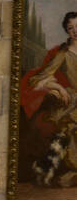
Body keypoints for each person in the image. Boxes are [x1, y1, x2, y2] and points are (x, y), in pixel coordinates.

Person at [21, 12, 77, 188]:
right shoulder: (63, 54)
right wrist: (59, 88)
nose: (76, 31)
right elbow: (38, 79)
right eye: (71, 28)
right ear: (67, 32)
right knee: (71, 121)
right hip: (73, 100)